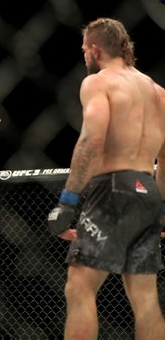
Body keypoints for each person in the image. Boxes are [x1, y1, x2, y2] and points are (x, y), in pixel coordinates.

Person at [47, 18, 165, 339]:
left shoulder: (99, 82)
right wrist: (162, 207)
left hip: (113, 189)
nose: (84, 54)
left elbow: (91, 141)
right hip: (148, 191)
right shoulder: (158, 92)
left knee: (80, 286)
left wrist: (68, 201)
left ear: (96, 49)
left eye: (85, 49)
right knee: (144, 296)